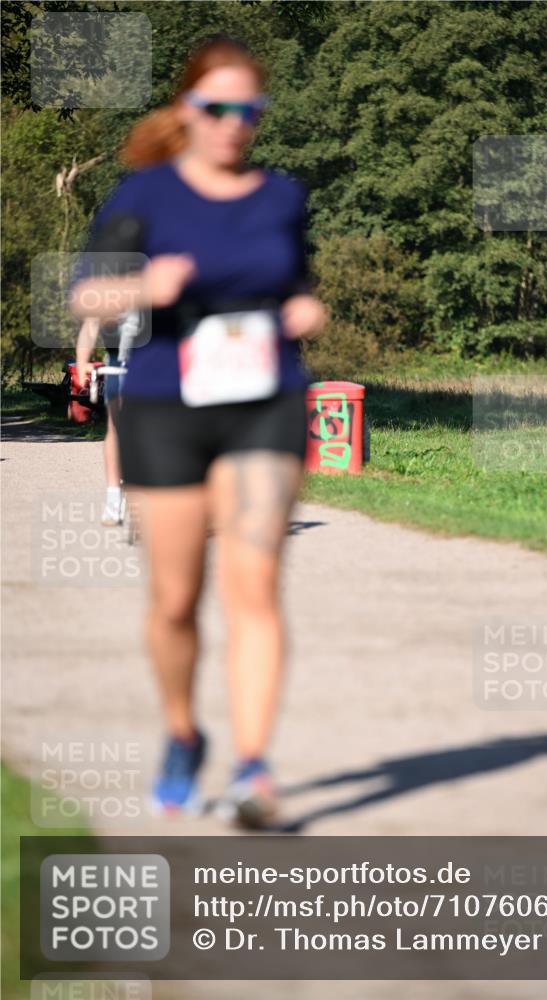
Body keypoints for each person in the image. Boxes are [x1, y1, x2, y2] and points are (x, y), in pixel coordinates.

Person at [69, 35, 328, 828]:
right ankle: (184, 735)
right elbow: (85, 298)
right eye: (216, 107)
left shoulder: (281, 195)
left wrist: (305, 311)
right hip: (165, 403)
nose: (231, 123)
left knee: (254, 589)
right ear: (188, 110)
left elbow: (300, 284)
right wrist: (147, 282)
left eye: (247, 109)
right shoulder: (145, 195)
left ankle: (253, 768)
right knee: (177, 599)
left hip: (263, 401)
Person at [76, 317, 125, 526]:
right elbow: (92, 323)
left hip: (155, 359)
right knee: (115, 428)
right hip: (118, 360)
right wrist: (81, 362)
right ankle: (114, 499)